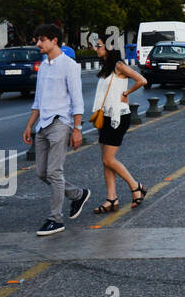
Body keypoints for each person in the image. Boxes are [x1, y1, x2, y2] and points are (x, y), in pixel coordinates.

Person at [22, 24, 90, 236]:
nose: (38, 43)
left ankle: (55, 219)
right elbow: (38, 100)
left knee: (54, 171)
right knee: (42, 173)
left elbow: (77, 101)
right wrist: (29, 125)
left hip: (61, 123)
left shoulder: (69, 66)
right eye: (37, 39)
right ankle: (78, 194)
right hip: (43, 124)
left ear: (54, 41)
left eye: (42, 39)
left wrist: (77, 129)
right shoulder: (43, 66)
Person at [90, 38, 149, 213]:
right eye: (95, 46)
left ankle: (136, 187)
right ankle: (111, 198)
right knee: (105, 161)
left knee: (109, 159)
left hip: (119, 116)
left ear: (109, 47)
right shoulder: (106, 68)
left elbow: (142, 80)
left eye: (99, 46)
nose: (96, 49)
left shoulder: (119, 65)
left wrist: (126, 93)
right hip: (105, 116)